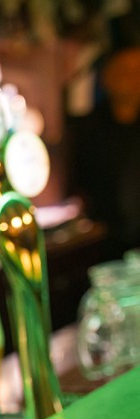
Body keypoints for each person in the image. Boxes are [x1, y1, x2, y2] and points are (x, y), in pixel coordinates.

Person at [68, 46, 140, 260]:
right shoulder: (86, 130)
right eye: (126, 71)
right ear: (106, 77)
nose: (133, 79)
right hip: (102, 245)